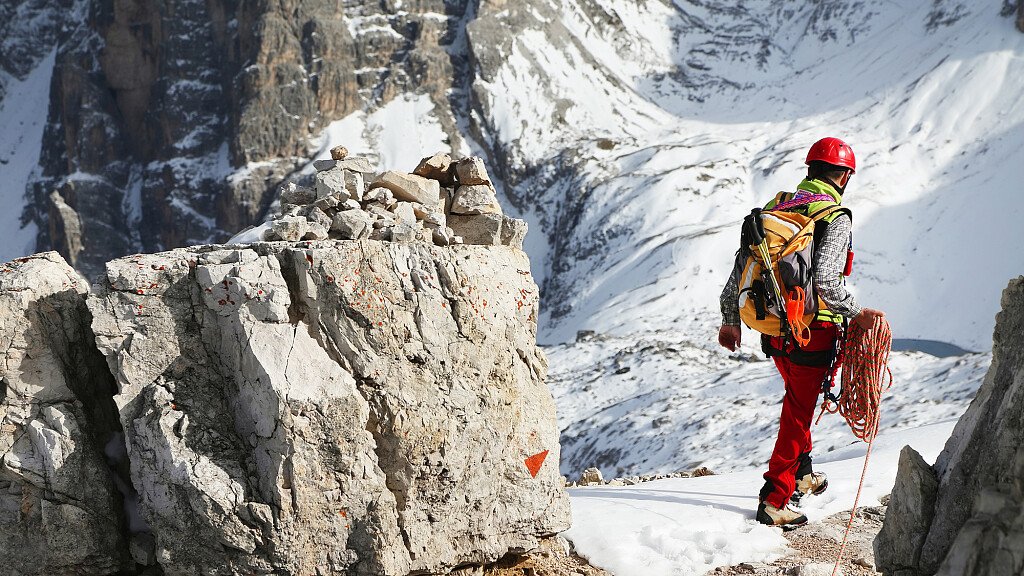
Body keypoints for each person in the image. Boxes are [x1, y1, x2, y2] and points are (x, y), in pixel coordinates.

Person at [717, 137, 885, 528]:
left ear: (810, 169)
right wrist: (858, 314)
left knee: (797, 404)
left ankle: (803, 474)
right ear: (844, 175)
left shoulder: (778, 207)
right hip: (814, 331)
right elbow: (827, 283)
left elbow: (741, 269)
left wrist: (730, 319)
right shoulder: (834, 215)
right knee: (797, 414)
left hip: (773, 327)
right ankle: (775, 499)